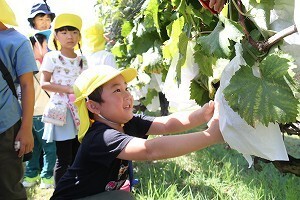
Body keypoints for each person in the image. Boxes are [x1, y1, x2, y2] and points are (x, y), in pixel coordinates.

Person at [50, 65, 224, 199]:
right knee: (121, 198)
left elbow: (166, 125)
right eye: (117, 90)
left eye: (126, 88)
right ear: (94, 106)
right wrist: (209, 136)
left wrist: (201, 115)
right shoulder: (100, 137)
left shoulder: (128, 122)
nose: (128, 95)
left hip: (99, 195)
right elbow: (150, 150)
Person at [40, 13, 88, 187]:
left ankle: (76, 189)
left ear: (79, 36)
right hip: (61, 112)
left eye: (74, 32)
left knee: (78, 154)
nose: (70, 36)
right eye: (64, 32)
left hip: (79, 111)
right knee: (64, 157)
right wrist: (68, 90)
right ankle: (60, 193)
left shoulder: (82, 60)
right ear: (56, 36)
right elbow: (44, 83)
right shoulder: (52, 57)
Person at [0, 0, 37, 199]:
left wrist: (25, 128)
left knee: (8, 188)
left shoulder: (16, 41)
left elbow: (27, 85)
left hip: (5, 126)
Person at [22, 32, 57, 189]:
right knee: (50, 149)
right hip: (45, 114)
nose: (47, 48)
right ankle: (47, 178)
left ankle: (30, 176)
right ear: (37, 45)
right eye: (45, 45)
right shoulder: (42, 66)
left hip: (30, 115)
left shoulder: (25, 66)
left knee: (34, 148)